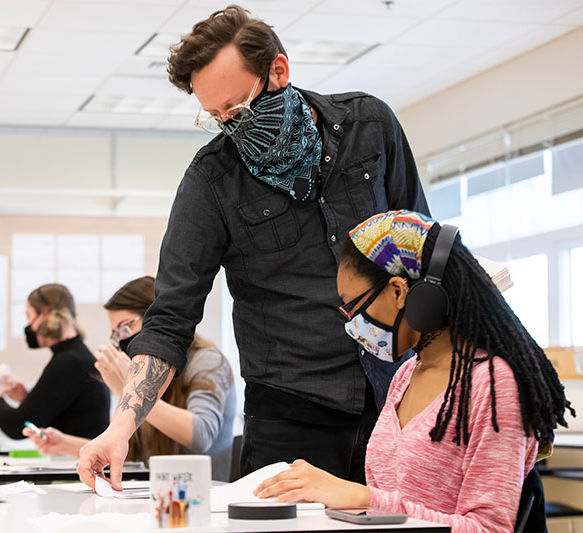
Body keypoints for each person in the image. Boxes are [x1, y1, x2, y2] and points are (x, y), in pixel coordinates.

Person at [78, 5, 429, 490]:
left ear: (278, 71)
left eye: (239, 110)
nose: (232, 126)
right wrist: (123, 425)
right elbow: (171, 317)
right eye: (217, 117)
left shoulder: (368, 126)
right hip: (292, 410)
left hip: (401, 395)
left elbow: (423, 254)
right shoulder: (211, 181)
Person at [254, 210, 574, 532]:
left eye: (352, 305)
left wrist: (361, 497)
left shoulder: (492, 383)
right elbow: (393, 500)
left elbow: (489, 528)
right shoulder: (406, 374)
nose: (351, 321)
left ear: (398, 291)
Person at [23, 276, 237, 481]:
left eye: (126, 326)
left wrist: (136, 391)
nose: (122, 339)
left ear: (158, 319)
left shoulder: (206, 361)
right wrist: (64, 444)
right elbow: (133, 453)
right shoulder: (138, 372)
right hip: (155, 492)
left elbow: (202, 435)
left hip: (204, 496)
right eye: (116, 332)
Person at [0, 283, 110, 440]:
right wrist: (26, 397)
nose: (28, 325)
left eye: (29, 316)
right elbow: (62, 416)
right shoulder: (76, 356)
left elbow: (17, 426)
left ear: (46, 315)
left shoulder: (68, 362)